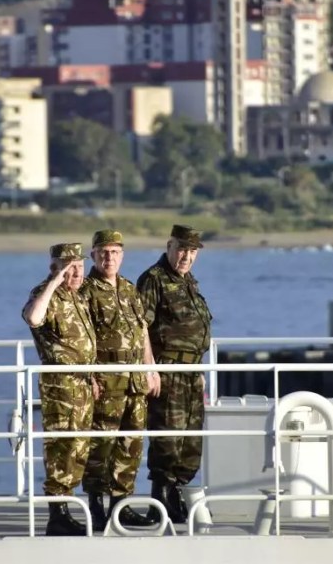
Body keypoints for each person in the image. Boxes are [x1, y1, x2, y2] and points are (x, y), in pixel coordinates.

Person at [79, 229, 161, 531]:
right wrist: (89, 376)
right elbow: (83, 339)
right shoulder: (86, 290)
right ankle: (95, 505)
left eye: (114, 252)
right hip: (106, 380)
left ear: (122, 256)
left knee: (131, 444)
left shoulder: (128, 288)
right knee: (101, 445)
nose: (109, 258)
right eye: (103, 252)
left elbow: (142, 332)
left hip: (134, 381)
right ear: (93, 255)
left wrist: (151, 369)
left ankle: (120, 505)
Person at [21, 242, 100, 536]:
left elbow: (82, 344)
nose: (77, 273)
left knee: (78, 447)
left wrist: (92, 376)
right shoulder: (47, 294)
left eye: (80, 267)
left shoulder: (76, 297)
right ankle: (57, 515)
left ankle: (66, 510)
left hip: (83, 384)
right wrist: (55, 280)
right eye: (70, 268)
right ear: (54, 268)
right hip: (61, 387)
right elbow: (33, 318)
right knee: (62, 447)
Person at [136, 224, 212, 523]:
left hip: (191, 371)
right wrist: (150, 368)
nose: (186, 256)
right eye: (182, 249)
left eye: (192, 251)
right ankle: (160, 501)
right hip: (168, 370)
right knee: (168, 437)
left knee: (190, 442)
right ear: (169, 246)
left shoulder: (188, 281)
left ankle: (176, 495)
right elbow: (141, 327)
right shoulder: (154, 279)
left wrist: (198, 368)